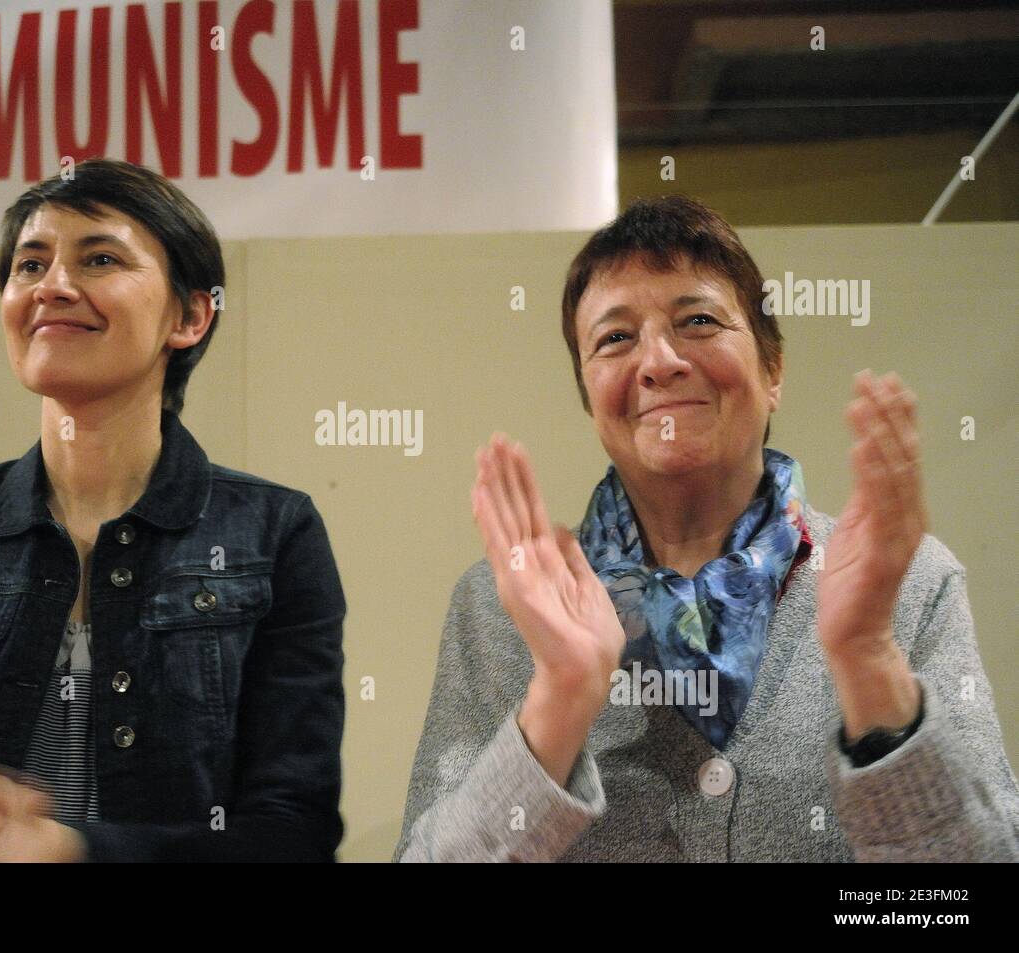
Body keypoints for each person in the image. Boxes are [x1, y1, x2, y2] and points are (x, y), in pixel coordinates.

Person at [393, 195, 1019, 862]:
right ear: (589, 394)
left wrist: (868, 656)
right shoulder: (498, 605)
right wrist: (560, 697)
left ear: (772, 368)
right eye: (615, 337)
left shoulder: (912, 584)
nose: (659, 361)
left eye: (697, 320)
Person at [0, 159, 347, 862]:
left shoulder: (274, 533)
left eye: (101, 258)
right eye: (30, 264)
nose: (52, 285)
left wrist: (72, 850)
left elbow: (291, 833)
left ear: (190, 314)